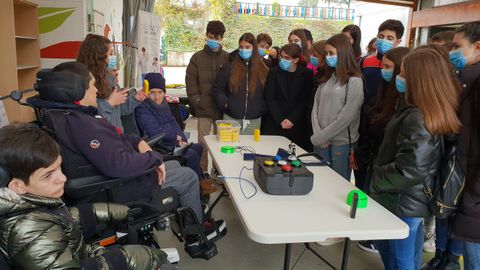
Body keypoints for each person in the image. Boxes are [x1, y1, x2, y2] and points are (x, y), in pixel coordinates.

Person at [27, 62, 226, 250]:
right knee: (187, 176)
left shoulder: (68, 116)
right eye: (92, 85)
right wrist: (154, 158)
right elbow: (118, 164)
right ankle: (195, 238)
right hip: (116, 188)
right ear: (77, 90)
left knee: (173, 164)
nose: (97, 90)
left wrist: (138, 142)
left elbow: (116, 139)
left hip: (110, 179)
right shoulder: (82, 124)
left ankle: (190, 223)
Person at [0, 123, 168, 269]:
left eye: (59, 167)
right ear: (17, 186)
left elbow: (57, 221)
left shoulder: (32, 203)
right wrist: (126, 260)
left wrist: (101, 211)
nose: (63, 178)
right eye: (48, 175)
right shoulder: (28, 231)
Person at [371, 48, 462, 270]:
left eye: (403, 74)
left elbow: (410, 170)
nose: (398, 78)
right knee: (406, 255)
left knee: (397, 259)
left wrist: (377, 177)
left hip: (402, 200)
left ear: (419, 80)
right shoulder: (427, 109)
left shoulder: (418, 116)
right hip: (413, 200)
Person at [354, 47, 411, 253]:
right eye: (381, 66)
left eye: (388, 67)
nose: (383, 71)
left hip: (388, 168)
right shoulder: (384, 92)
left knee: (398, 251)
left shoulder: (407, 105)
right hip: (373, 157)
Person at [135, 73, 218, 194]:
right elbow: (153, 132)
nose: (157, 97)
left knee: (198, 147)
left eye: (160, 92)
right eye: (152, 92)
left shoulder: (164, 104)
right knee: (191, 154)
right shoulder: (142, 108)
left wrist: (183, 139)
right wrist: (175, 138)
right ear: (146, 92)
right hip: (160, 145)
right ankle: (199, 185)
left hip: (171, 141)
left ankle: (199, 178)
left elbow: (174, 123)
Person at [310, 34, 363, 181]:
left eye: (331, 53)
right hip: (320, 141)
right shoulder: (327, 77)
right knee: (320, 181)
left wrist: (321, 137)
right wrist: (319, 136)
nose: (328, 57)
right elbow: (315, 108)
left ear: (343, 53)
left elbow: (346, 117)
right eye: (326, 53)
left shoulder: (355, 81)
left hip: (341, 144)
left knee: (337, 184)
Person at [451, 21, 480, 270]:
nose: (453, 52)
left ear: (477, 47)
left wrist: (475, 193)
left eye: (457, 46)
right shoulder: (467, 82)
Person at [77, 34, 147, 132]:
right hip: (103, 138)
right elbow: (91, 117)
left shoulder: (110, 77)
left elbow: (119, 110)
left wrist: (135, 98)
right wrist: (110, 103)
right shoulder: (85, 81)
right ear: (99, 56)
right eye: (110, 53)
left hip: (117, 136)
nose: (112, 57)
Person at [186, 20, 229, 173]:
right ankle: (202, 172)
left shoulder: (227, 58)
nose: (213, 40)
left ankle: (218, 173)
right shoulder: (197, 58)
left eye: (216, 38)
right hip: (204, 108)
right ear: (206, 35)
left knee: (222, 143)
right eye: (211, 37)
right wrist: (198, 101)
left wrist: (226, 103)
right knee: (203, 143)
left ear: (222, 38)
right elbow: (190, 83)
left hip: (222, 110)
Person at [213, 32, 269, 135]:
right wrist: (225, 103)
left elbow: (269, 92)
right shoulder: (229, 68)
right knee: (228, 148)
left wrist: (261, 108)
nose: (244, 50)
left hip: (254, 120)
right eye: (241, 47)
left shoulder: (264, 69)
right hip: (230, 118)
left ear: (254, 48)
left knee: (251, 149)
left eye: (247, 47)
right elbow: (218, 89)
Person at [262, 43, 313, 151]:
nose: (282, 60)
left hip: (296, 125)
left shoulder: (306, 74)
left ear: (296, 60)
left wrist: (291, 119)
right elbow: (270, 98)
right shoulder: (274, 72)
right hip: (275, 122)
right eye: (281, 57)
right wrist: (280, 119)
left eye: (286, 58)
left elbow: (304, 100)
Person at [360, 19, 404, 105]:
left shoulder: (402, 65)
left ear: (397, 42)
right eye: (381, 36)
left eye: (389, 38)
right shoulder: (365, 61)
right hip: (363, 110)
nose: (384, 40)